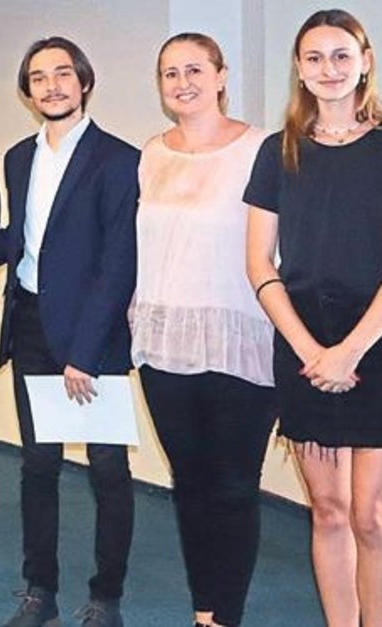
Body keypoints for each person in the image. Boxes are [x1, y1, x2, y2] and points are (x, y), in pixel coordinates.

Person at [0, 37, 139, 627]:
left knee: (108, 471)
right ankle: (40, 591)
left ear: (84, 82)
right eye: (38, 77)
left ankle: (107, 596)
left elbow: (118, 262)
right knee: (37, 466)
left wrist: (85, 352)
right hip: (30, 325)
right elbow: (24, 239)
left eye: (62, 74)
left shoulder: (118, 158)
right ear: (27, 91)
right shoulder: (17, 158)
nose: (51, 86)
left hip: (92, 336)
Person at [131, 33, 274, 627]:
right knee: (189, 482)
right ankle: (204, 609)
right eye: (170, 73)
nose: (182, 82)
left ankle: (227, 616)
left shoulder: (262, 148)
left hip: (240, 338)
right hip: (163, 342)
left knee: (235, 485)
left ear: (221, 75)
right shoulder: (151, 153)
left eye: (194, 69)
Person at [244, 9, 382, 627]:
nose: (329, 69)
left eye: (341, 55)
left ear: (365, 62)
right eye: (315, 58)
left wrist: (350, 350)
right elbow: (259, 263)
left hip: (375, 342)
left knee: (371, 517)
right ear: (299, 70)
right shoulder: (278, 152)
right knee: (328, 512)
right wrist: (310, 350)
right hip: (302, 345)